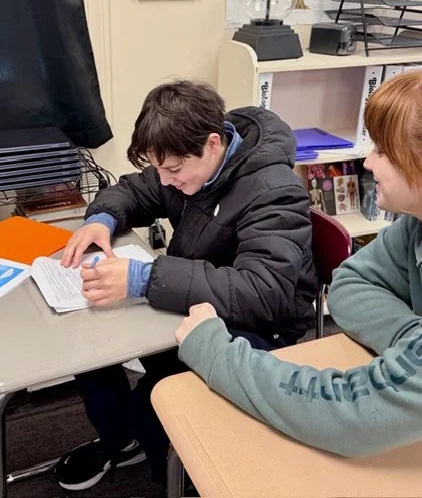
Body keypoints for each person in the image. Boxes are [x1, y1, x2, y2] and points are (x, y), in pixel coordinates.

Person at [175, 61, 422, 464]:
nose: (367, 162)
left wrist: (215, 352)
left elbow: (353, 413)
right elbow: (351, 282)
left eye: (382, 150)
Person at [54, 79, 318, 490]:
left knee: (154, 404)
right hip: (196, 300)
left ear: (213, 144)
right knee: (87, 347)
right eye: (160, 168)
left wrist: (145, 278)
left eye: (173, 169)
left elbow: (264, 292)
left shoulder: (273, 192)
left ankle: (177, 479)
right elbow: (135, 189)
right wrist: (100, 219)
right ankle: (123, 442)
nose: (165, 178)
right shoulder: (191, 164)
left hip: (259, 328)